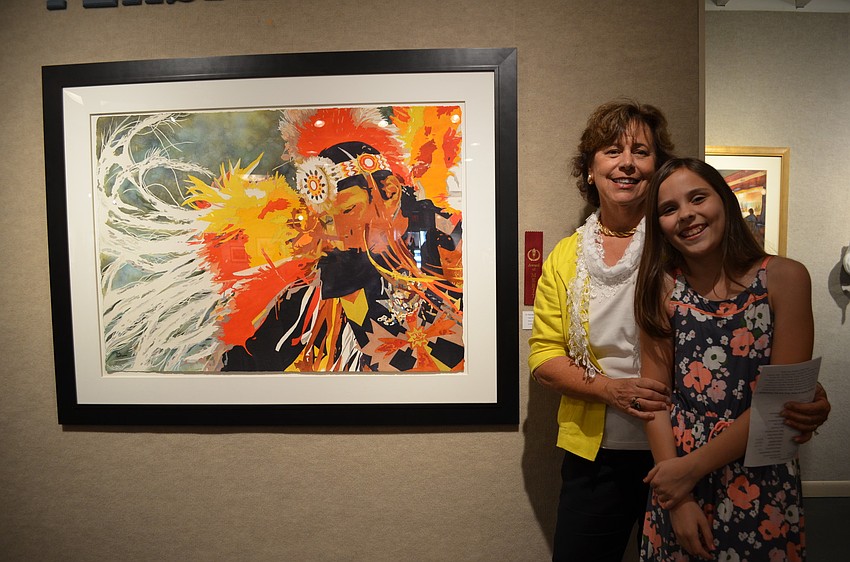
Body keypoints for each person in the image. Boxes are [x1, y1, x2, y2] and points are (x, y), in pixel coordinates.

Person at [528, 100, 830, 562]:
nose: (626, 162)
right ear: (590, 169)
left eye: (641, 151)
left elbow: (737, 338)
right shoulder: (566, 256)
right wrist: (611, 390)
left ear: (658, 166)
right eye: (612, 150)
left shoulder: (682, 242)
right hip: (600, 454)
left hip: (696, 446)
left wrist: (800, 392)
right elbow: (544, 354)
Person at [634, 158, 812, 560]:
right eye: (669, 209)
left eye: (698, 198)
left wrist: (689, 470)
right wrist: (677, 498)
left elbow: (780, 403)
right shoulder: (660, 288)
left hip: (758, 472)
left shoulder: (785, 278)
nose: (687, 215)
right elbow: (654, 400)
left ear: (725, 200)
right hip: (679, 478)